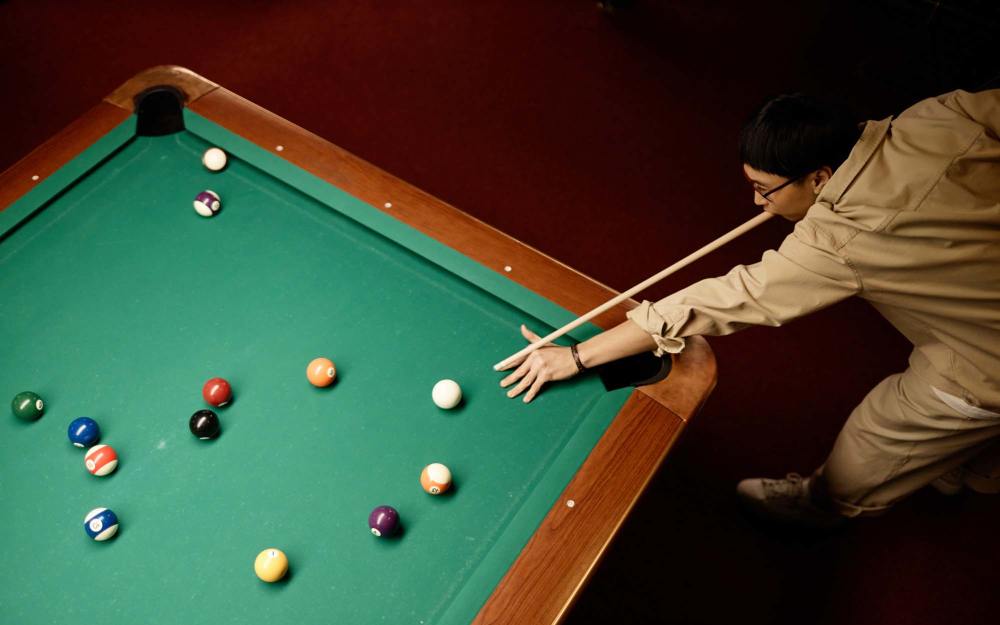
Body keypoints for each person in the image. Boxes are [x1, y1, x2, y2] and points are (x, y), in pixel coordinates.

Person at [497, 89, 1000, 527]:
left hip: (984, 362)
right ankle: (969, 465)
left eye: (765, 189)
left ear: (821, 176)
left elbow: (711, 304)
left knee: (876, 438)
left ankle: (820, 508)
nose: (758, 202)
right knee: (967, 447)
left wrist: (577, 357)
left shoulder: (838, 242)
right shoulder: (940, 116)